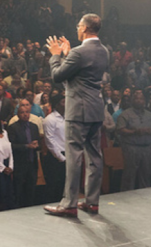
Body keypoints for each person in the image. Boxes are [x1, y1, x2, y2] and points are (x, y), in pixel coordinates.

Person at [44, 13, 109, 218]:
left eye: (78, 25)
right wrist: (68, 53)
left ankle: (69, 203)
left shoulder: (80, 53)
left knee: (74, 157)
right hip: (95, 110)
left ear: (84, 28)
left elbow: (57, 76)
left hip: (78, 111)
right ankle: (92, 202)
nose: (76, 28)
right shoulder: (105, 51)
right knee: (95, 157)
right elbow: (79, 73)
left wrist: (56, 55)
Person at [117, 89, 151, 191]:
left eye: (141, 99)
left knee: (146, 173)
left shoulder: (150, 115)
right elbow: (120, 130)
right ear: (132, 100)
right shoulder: (125, 114)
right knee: (130, 174)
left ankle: (144, 195)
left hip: (147, 148)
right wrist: (134, 131)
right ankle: (126, 195)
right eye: (136, 98)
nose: (139, 101)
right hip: (131, 147)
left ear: (144, 101)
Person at [40, 93, 66, 203]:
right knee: (54, 184)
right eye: (63, 102)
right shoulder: (50, 119)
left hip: (67, 153)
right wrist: (61, 157)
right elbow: (50, 141)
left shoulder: (68, 118)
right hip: (55, 156)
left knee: (64, 184)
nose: (66, 104)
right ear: (57, 105)